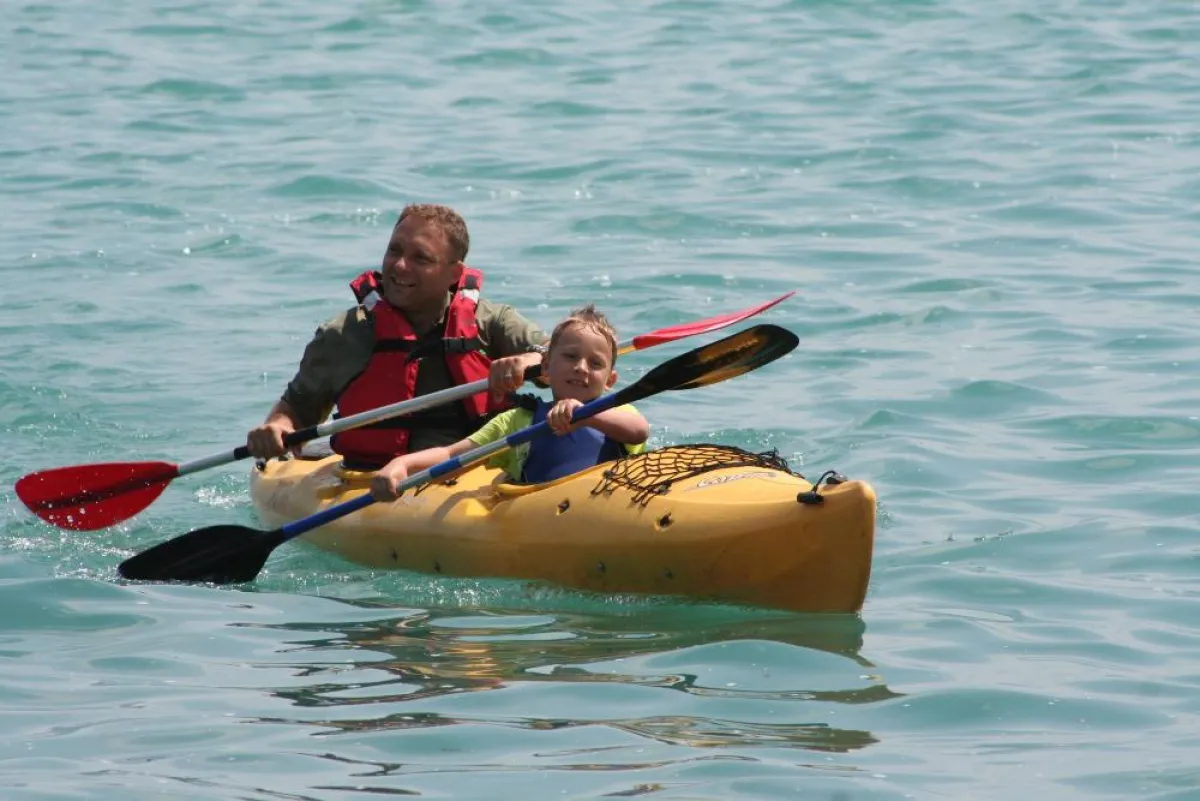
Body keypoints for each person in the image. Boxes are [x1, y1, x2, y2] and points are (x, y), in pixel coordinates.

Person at [246, 204, 548, 469]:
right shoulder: (343, 334)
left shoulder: (490, 322)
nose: (400, 265)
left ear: (455, 274)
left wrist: (529, 359)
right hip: (372, 477)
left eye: (421, 258)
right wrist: (276, 427)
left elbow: (559, 356)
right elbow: (296, 411)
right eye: (395, 250)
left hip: (478, 469)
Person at [370, 304, 649, 498]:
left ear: (610, 380)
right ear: (546, 368)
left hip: (610, 502)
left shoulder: (616, 412)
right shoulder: (518, 422)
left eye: (595, 363)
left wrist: (585, 415)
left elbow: (639, 430)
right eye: (571, 356)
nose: (581, 368)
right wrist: (401, 466)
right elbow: (452, 457)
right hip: (547, 515)